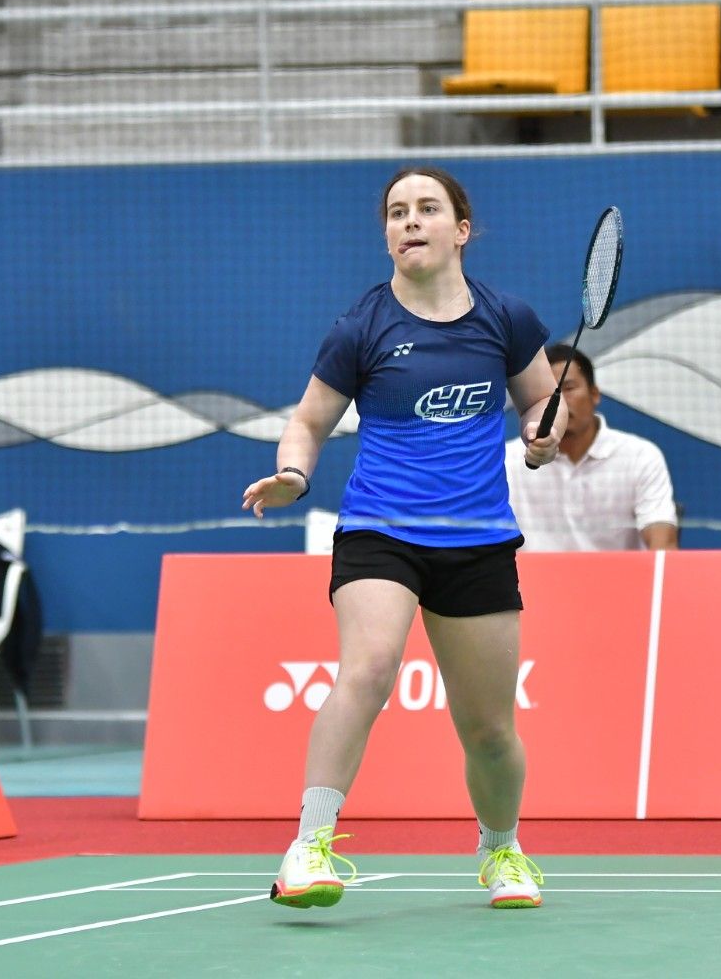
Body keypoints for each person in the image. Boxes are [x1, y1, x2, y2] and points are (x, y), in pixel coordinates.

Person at [242, 166, 562, 911]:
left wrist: (544, 434)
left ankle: (502, 848)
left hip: (478, 537)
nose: (409, 221)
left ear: (461, 230)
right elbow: (308, 421)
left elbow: (541, 401)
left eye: (426, 209)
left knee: (488, 730)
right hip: (380, 529)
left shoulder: (506, 318)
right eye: (396, 212)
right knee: (369, 668)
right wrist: (293, 473)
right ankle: (308, 846)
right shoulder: (362, 327)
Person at [505, 345, 678, 552]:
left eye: (568, 388)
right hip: (530, 573)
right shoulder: (507, 461)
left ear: (594, 394)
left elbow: (663, 543)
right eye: (547, 394)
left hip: (616, 573)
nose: (559, 402)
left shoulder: (640, 456)